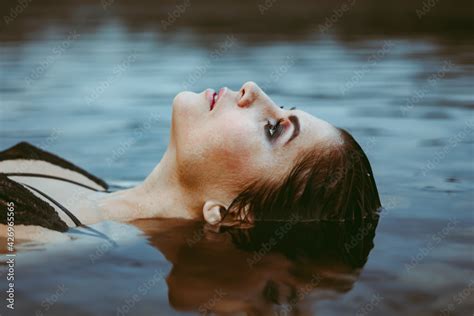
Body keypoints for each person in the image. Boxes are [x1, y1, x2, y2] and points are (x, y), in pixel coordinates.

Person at [0, 81, 381, 239]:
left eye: (272, 130)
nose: (253, 89)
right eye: (281, 107)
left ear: (233, 213)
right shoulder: (86, 182)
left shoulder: (37, 241)